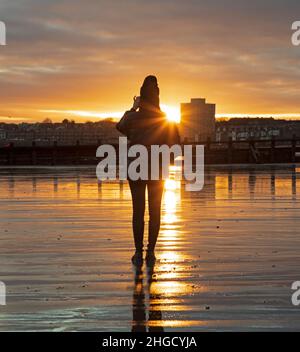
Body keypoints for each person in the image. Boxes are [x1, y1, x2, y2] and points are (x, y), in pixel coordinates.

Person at [116, 75, 180, 265]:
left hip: (135, 167)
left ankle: (138, 253)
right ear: (157, 96)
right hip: (156, 169)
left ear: (141, 96)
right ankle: (151, 253)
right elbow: (175, 143)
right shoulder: (164, 118)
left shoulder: (134, 117)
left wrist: (133, 107)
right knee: (155, 211)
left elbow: (120, 127)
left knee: (138, 212)